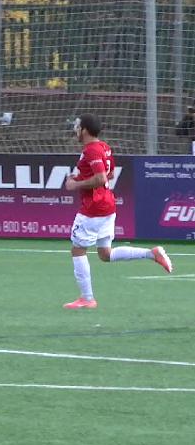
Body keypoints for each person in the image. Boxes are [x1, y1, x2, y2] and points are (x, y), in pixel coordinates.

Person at [63, 114, 173, 309]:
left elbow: (100, 178)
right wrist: (81, 176)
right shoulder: (104, 147)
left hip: (93, 207)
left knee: (78, 249)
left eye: (78, 126)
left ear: (85, 130)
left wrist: (76, 183)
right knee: (105, 254)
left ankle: (87, 299)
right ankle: (152, 253)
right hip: (107, 204)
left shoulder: (92, 150)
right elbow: (111, 173)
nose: (75, 130)